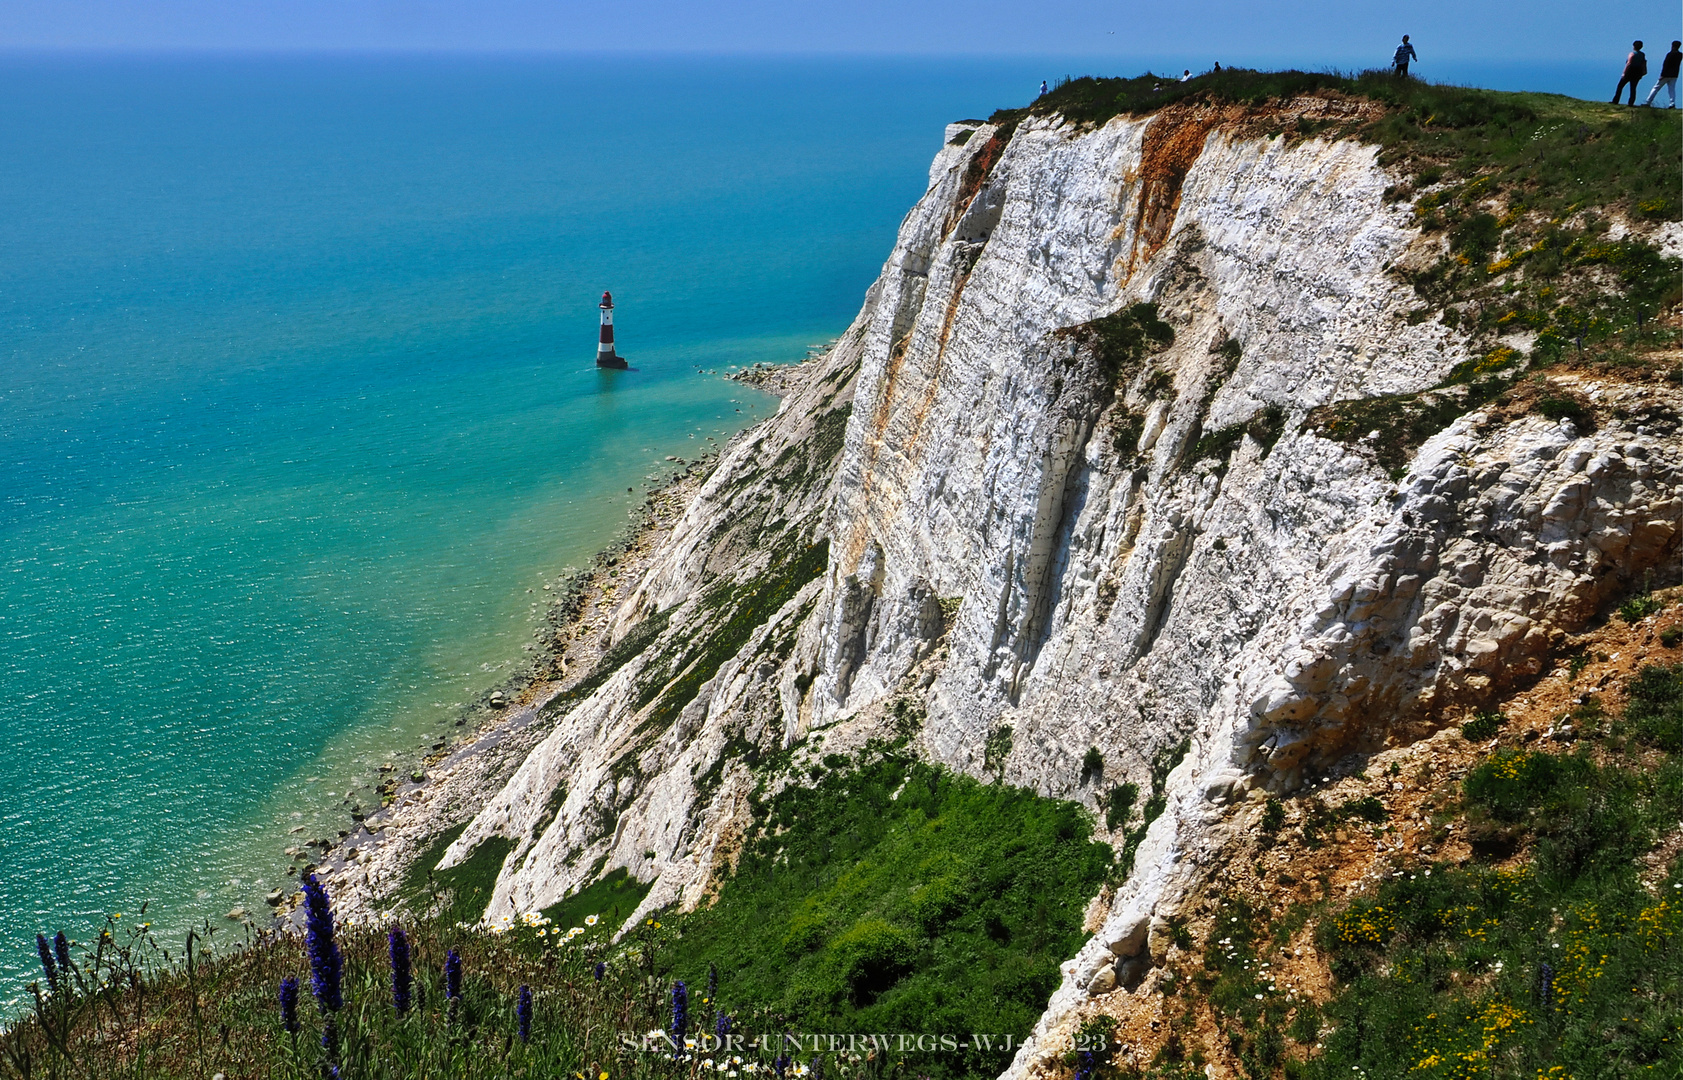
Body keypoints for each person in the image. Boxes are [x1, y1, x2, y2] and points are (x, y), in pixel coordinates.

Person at [1645, 41, 1680, 107]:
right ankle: (1672, 103)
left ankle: (1648, 102)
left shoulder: (1670, 54)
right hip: (1674, 75)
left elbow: (1665, 65)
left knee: (1656, 88)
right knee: (1671, 90)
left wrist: (1662, 75)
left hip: (1666, 75)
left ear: (1672, 46)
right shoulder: (1680, 55)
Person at [1614, 41, 1647, 105]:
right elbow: (1643, 63)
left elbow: (1628, 63)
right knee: (1633, 88)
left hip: (1630, 71)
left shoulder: (1632, 54)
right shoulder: (1642, 54)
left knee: (1620, 86)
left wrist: (1624, 72)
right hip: (1637, 72)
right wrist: (1644, 71)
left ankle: (1616, 100)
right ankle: (1631, 102)